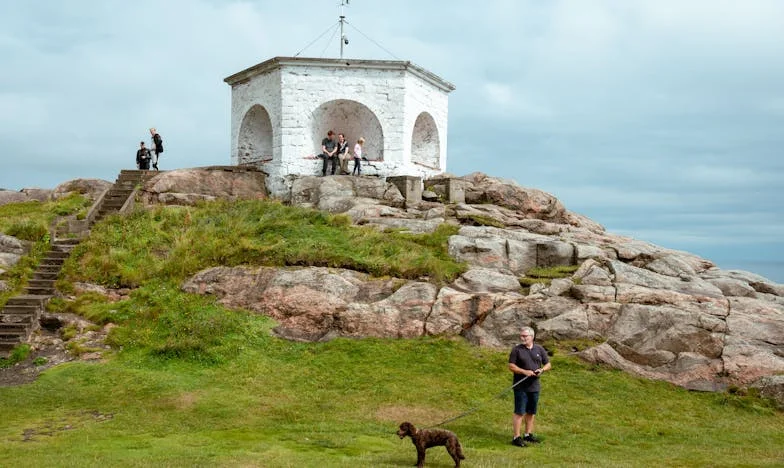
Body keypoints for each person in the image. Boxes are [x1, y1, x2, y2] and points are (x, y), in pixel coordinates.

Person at [508, 326, 551, 447]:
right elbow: (511, 366)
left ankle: (528, 435)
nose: (522, 338)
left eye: (525, 336)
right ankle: (516, 437)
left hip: (534, 386)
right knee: (520, 412)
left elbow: (548, 364)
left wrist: (542, 370)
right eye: (521, 336)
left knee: (531, 412)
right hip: (521, 386)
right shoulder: (517, 350)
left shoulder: (539, 349)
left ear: (532, 337)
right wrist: (524, 372)